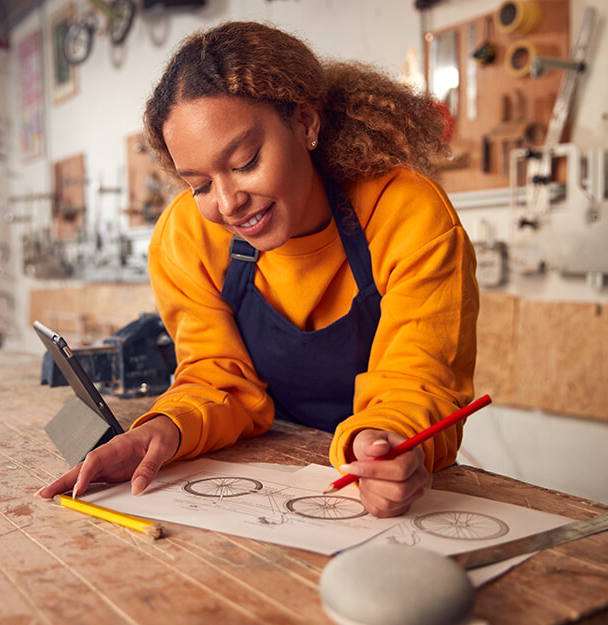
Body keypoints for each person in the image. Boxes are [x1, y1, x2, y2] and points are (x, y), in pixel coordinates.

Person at [38, 21, 479, 518]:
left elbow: (417, 377)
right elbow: (216, 381)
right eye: (200, 185)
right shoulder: (186, 236)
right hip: (266, 468)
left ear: (306, 122)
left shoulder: (404, 210)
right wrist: (163, 429)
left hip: (381, 479)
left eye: (245, 162)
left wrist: (389, 443)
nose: (228, 203)